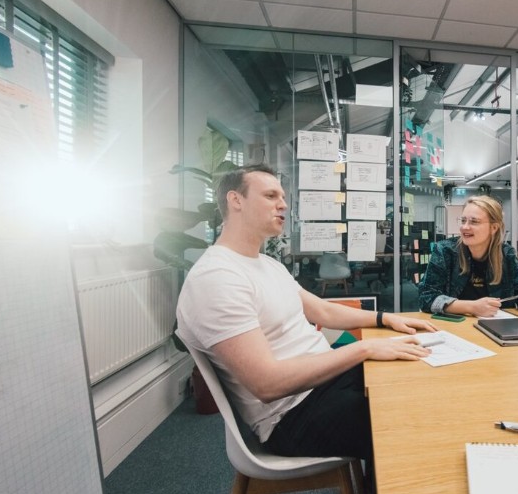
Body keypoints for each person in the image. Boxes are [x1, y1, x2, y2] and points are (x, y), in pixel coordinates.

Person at [176, 164, 437, 460]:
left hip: (324, 380)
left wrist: (384, 318)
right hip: (293, 414)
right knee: (411, 418)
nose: (283, 204)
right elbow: (267, 383)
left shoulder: (268, 265)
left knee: (417, 378)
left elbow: (323, 311)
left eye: (283, 197)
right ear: (236, 200)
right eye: (271, 195)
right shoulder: (217, 278)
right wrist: (364, 349)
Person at [418, 195, 518, 317]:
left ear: (494, 227)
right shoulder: (445, 251)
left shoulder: (507, 254)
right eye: (463, 220)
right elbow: (426, 298)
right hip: (454, 326)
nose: (464, 227)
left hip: (499, 327)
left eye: (474, 222)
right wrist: (472, 307)